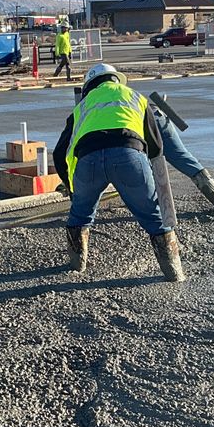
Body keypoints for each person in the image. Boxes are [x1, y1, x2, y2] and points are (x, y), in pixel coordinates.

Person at [52, 62, 184, 282]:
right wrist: (151, 175)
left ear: (90, 85)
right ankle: (174, 273)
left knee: (79, 215)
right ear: (115, 79)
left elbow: (59, 153)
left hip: (88, 161)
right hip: (129, 156)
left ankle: (76, 266)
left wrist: (72, 187)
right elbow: (156, 144)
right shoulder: (136, 98)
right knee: (154, 217)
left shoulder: (82, 107)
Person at [154, 107, 214, 215]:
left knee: (139, 164)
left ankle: (150, 208)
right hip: (158, 116)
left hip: (142, 123)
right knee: (184, 159)